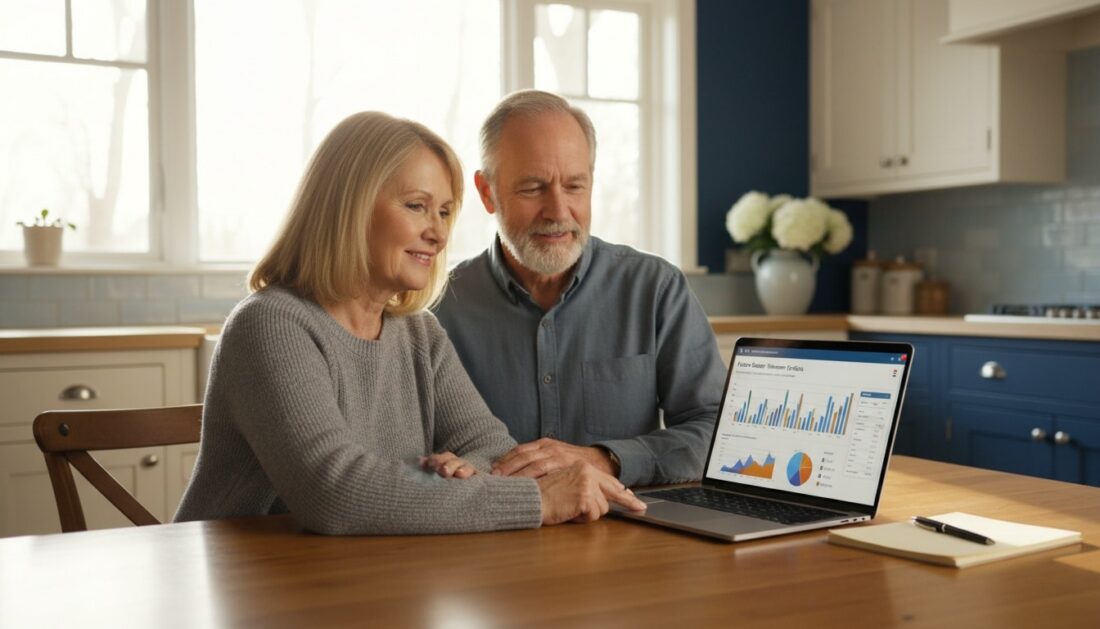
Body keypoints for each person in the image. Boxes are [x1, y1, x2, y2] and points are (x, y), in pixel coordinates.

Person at [174, 111, 645, 535]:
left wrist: (450, 477)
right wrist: (536, 500)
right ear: (349, 207)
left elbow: (493, 451)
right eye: (417, 206)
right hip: (239, 582)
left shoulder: (419, 333)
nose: (438, 233)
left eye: (444, 212)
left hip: (364, 575)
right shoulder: (270, 325)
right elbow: (335, 493)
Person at [434, 91, 727, 488]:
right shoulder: (440, 309)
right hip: (497, 524)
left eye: (574, 186)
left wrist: (605, 460)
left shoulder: (656, 290)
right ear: (487, 192)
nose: (558, 211)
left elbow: (716, 432)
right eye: (533, 188)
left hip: (628, 523)